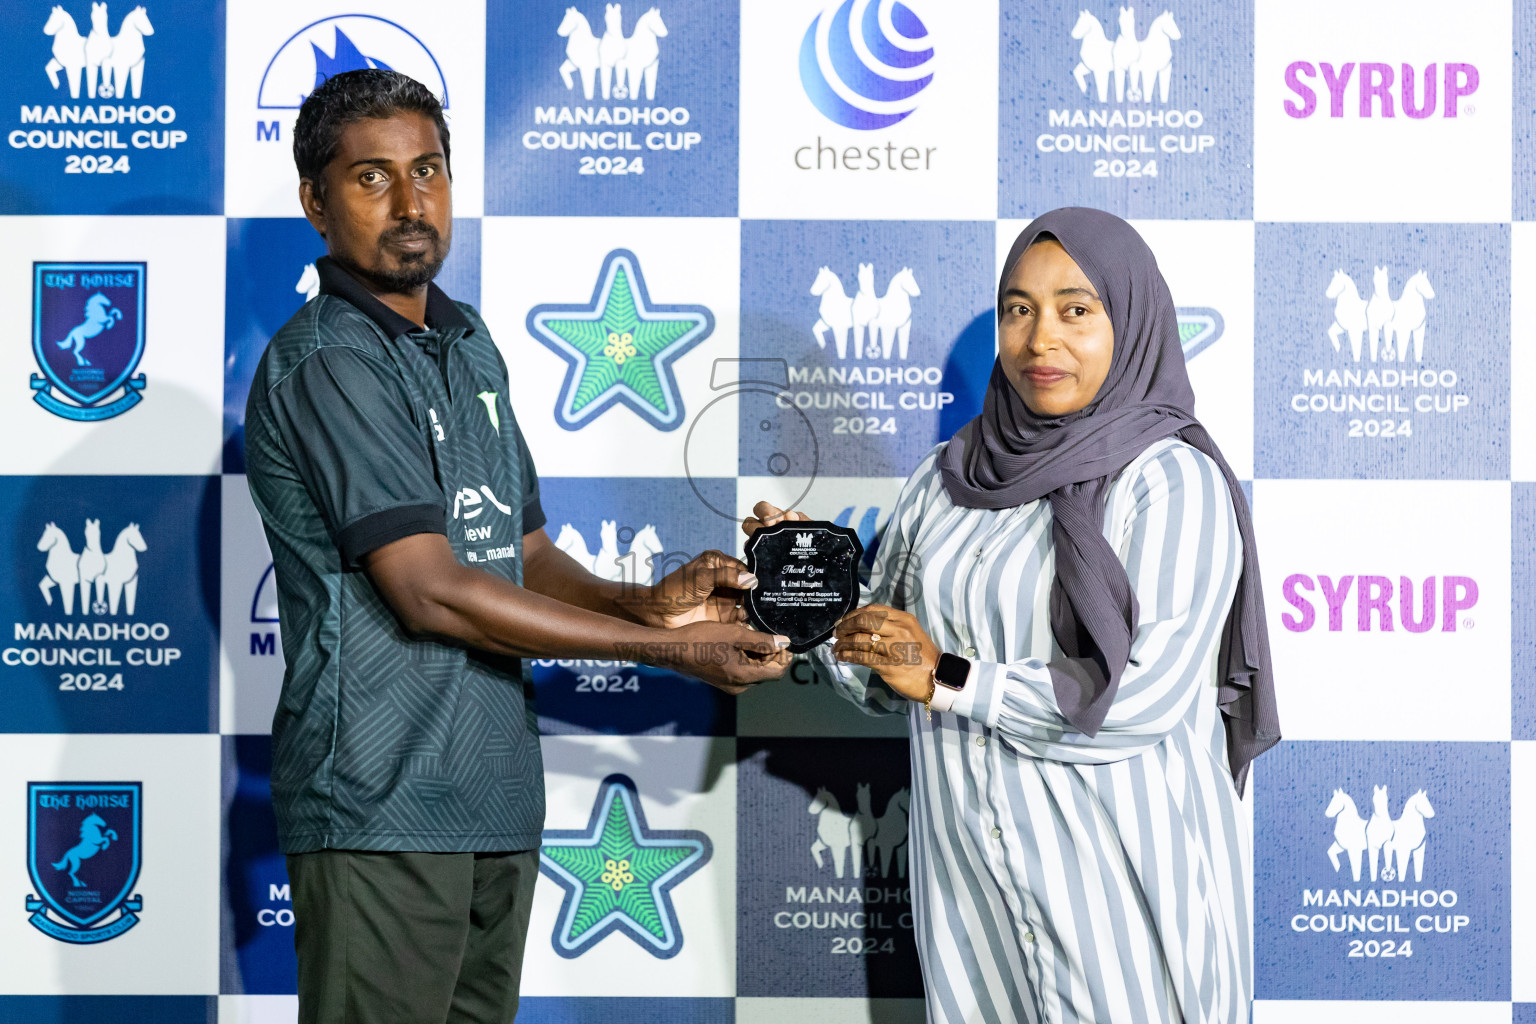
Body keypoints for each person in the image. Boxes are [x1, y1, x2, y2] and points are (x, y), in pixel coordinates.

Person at [244, 69, 788, 1024]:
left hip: (491, 799)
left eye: (430, 170)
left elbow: (520, 553)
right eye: (373, 178)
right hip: (383, 808)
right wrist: (668, 653)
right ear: (315, 203)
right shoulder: (329, 359)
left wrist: (645, 603)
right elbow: (432, 591)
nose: (412, 203)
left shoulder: (467, 341)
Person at [746, 208, 1280, 1023]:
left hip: (1121, 891)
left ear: (1132, 322)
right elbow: (892, 676)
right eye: (1018, 309)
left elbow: (1141, 700)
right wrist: (813, 597)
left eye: (1077, 309)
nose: (1040, 340)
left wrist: (951, 679)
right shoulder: (946, 479)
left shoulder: (1171, 483)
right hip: (971, 894)